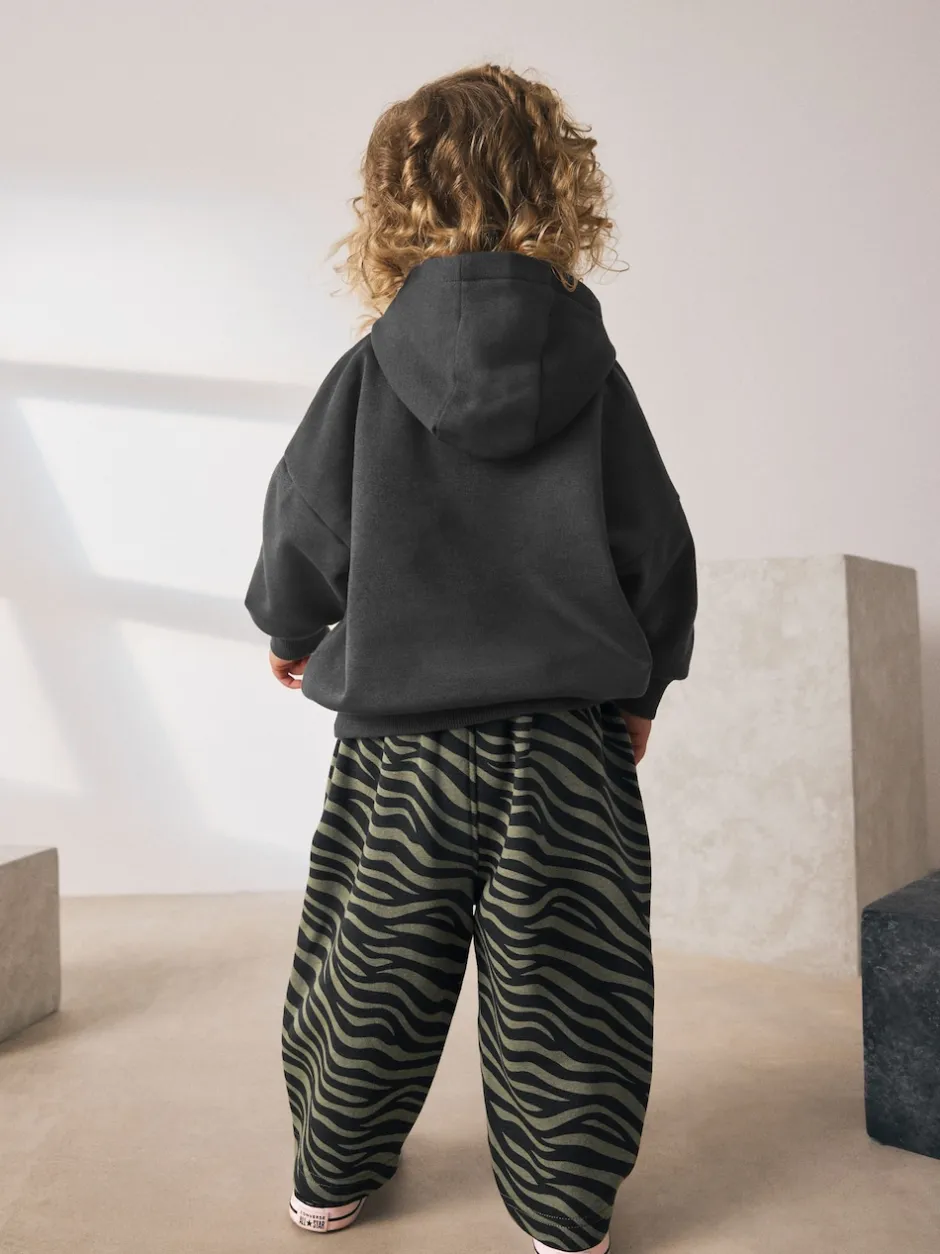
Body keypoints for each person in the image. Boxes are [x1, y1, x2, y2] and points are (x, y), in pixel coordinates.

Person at [245, 62, 697, 1254]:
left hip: (401, 753)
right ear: (559, 193)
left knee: (367, 969)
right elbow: (655, 547)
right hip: (564, 749)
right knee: (571, 986)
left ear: (393, 205)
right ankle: (563, 1214)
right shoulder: (595, 379)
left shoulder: (366, 375)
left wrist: (291, 631)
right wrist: (644, 685)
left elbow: (305, 522)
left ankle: (330, 1175)